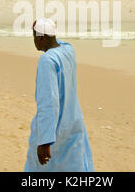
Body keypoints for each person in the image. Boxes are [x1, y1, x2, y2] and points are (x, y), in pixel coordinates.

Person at [24, 18, 94, 172]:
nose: (34, 40)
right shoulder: (68, 50)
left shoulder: (47, 61)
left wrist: (45, 140)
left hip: (56, 132)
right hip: (73, 126)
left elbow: (49, 102)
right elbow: (57, 42)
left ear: (41, 37)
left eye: (34, 36)